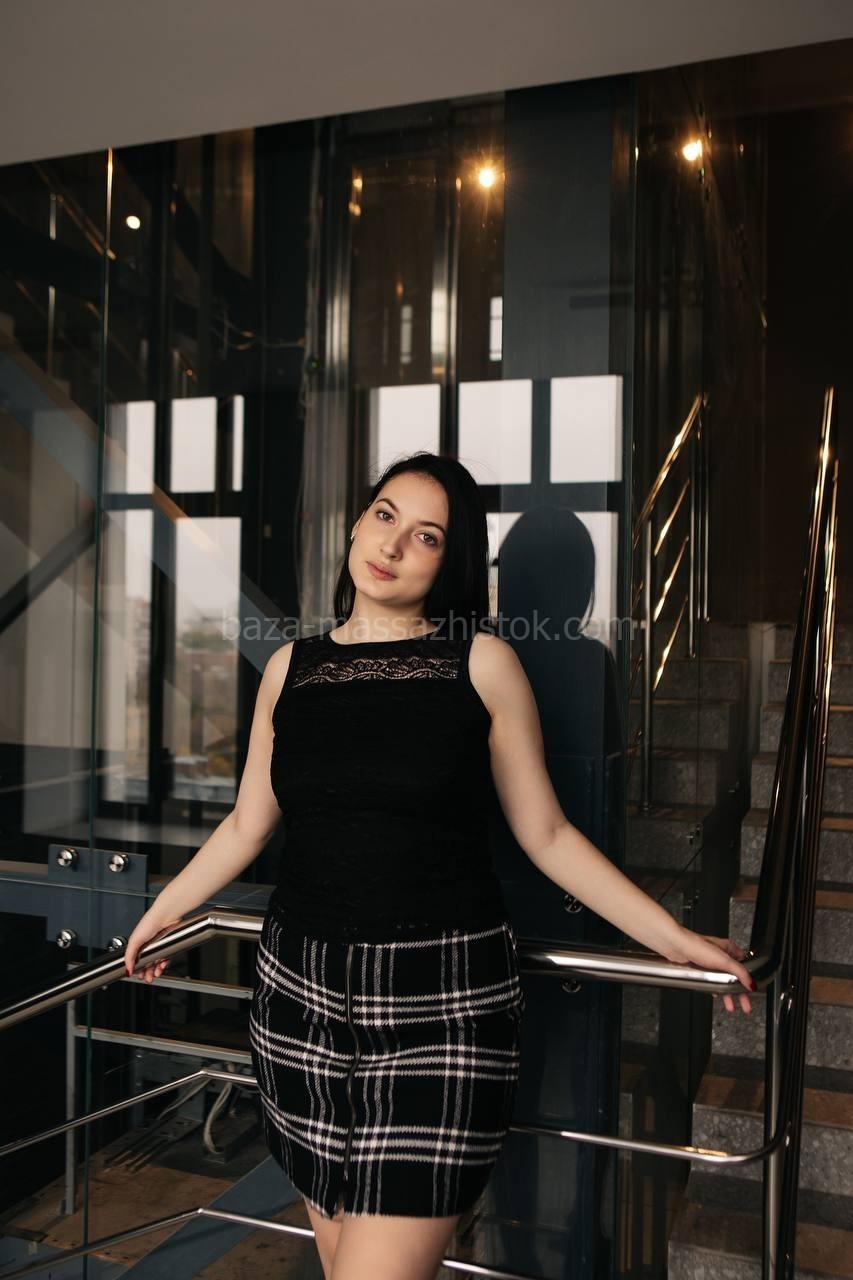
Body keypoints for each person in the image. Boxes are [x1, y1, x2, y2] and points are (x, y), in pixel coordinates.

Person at [123, 452, 754, 1280]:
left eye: (426, 536)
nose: (392, 545)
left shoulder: (481, 663)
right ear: (357, 522)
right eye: (385, 515)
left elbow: (547, 835)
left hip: (442, 1005)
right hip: (297, 1002)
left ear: (449, 564)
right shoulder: (290, 668)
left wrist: (673, 940)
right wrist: (163, 910)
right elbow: (247, 824)